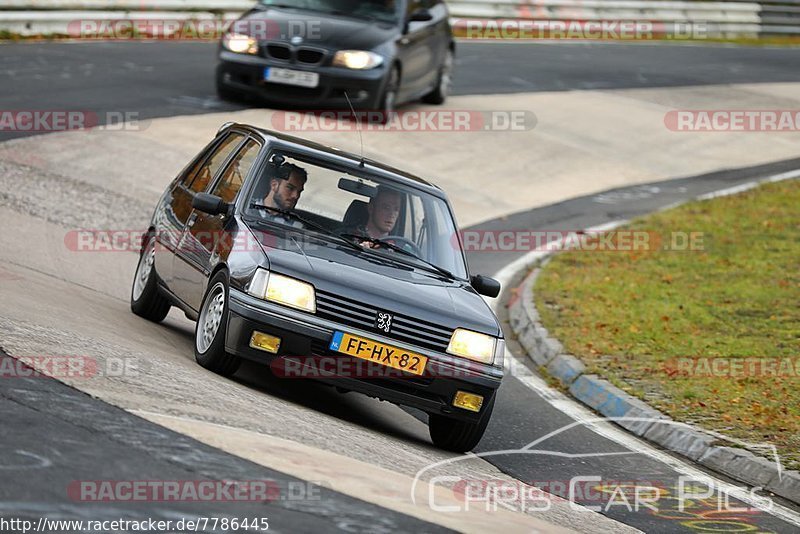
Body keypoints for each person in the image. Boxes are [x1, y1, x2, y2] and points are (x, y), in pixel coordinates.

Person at [258, 162, 307, 227]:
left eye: (299, 191)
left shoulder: (296, 226)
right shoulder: (245, 208)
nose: (296, 196)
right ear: (274, 185)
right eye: (290, 188)